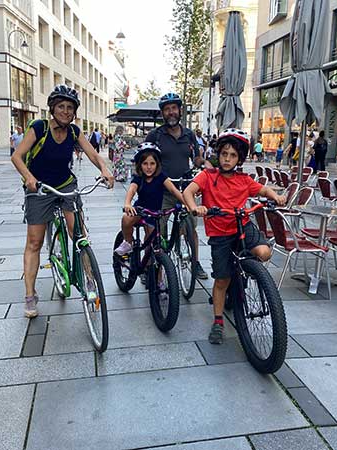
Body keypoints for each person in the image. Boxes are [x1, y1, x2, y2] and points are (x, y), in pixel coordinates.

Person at [11, 84, 114, 318]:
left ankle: (89, 280)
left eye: (70, 108)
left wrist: (104, 169)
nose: (66, 112)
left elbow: (93, 154)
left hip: (65, 184)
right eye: (61, 107)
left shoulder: (75, 131)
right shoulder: (39, 128)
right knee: (34, 242)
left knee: (79, 234)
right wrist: (29, 178)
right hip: (39, 187)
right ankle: (30, 294)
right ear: (52, 109)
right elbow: (17, 156)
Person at [182, 129, 286, 344]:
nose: (227, 159)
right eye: (224, 154)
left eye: (233, 156)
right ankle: (218, 321)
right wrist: (195, 208)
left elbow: (263, 191)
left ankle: (245, 270)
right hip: (220, 233)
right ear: (218, 154)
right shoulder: (208, 176)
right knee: (222, 280)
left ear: (239, 159)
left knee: (264, 252)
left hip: (242, 226)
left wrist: (276, 195)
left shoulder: (243, 179)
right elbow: (188, 192)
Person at [145, 92, 209, 280]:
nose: (171, 112)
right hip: (162, 191)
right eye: (167, 109)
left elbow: (195, 158)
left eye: (174, 108)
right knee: (158, 231)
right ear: (162, 113)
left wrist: (204, 163)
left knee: (191, 228)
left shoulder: (189, 134)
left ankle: (195, 263)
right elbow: (144, 161)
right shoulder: (155, 135)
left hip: (185, 189)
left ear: (180, 110)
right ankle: (154, 267)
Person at [114, 143, 184, 256]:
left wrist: (188, 204)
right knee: (126, 219)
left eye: (152, 163)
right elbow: (131, 190)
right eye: (145, 163)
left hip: (155, 213)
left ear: (157, 164)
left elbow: (174, 191)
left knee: (151, 244)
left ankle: (148, 268)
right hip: (140, 210)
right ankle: (128, 242)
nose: (149, 167)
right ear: (139, 165)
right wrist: (127, 203)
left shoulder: (161, 177)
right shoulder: (139, 178)